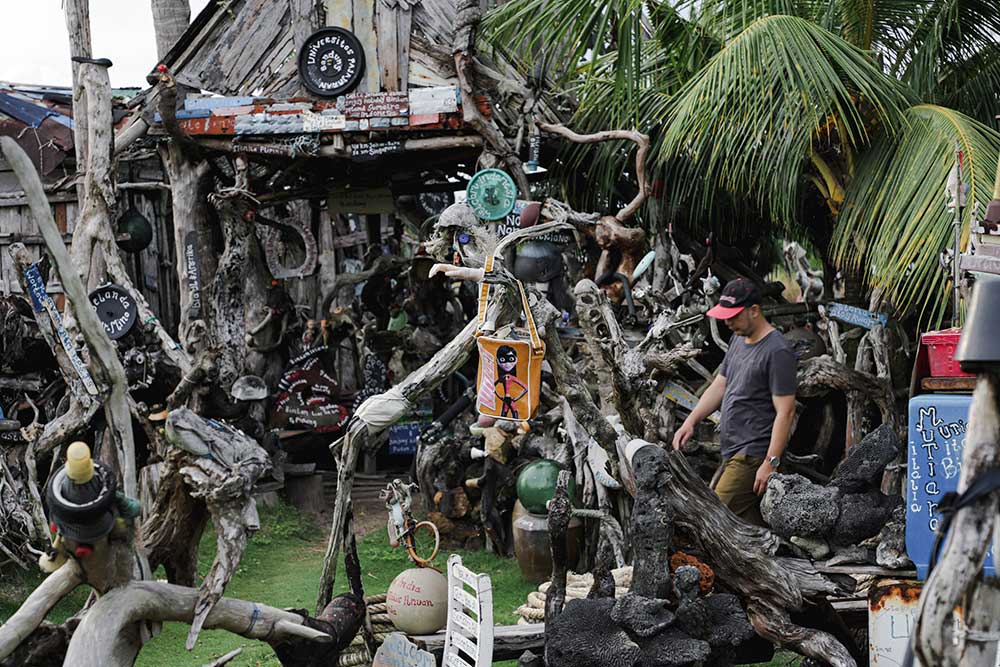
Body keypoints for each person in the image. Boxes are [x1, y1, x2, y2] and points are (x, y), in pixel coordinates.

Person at [672, 278, 797, 526]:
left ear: (754, 310)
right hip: (731, 449)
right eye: (725, 317)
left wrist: (770, 463)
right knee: (747, 528)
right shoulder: (738, 339)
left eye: (734, 316)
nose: (727, 323)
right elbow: (720, 384)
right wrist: (691, 420)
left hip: (752, 454)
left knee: (713, 522)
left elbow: (786, 412)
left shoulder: (777, 351)